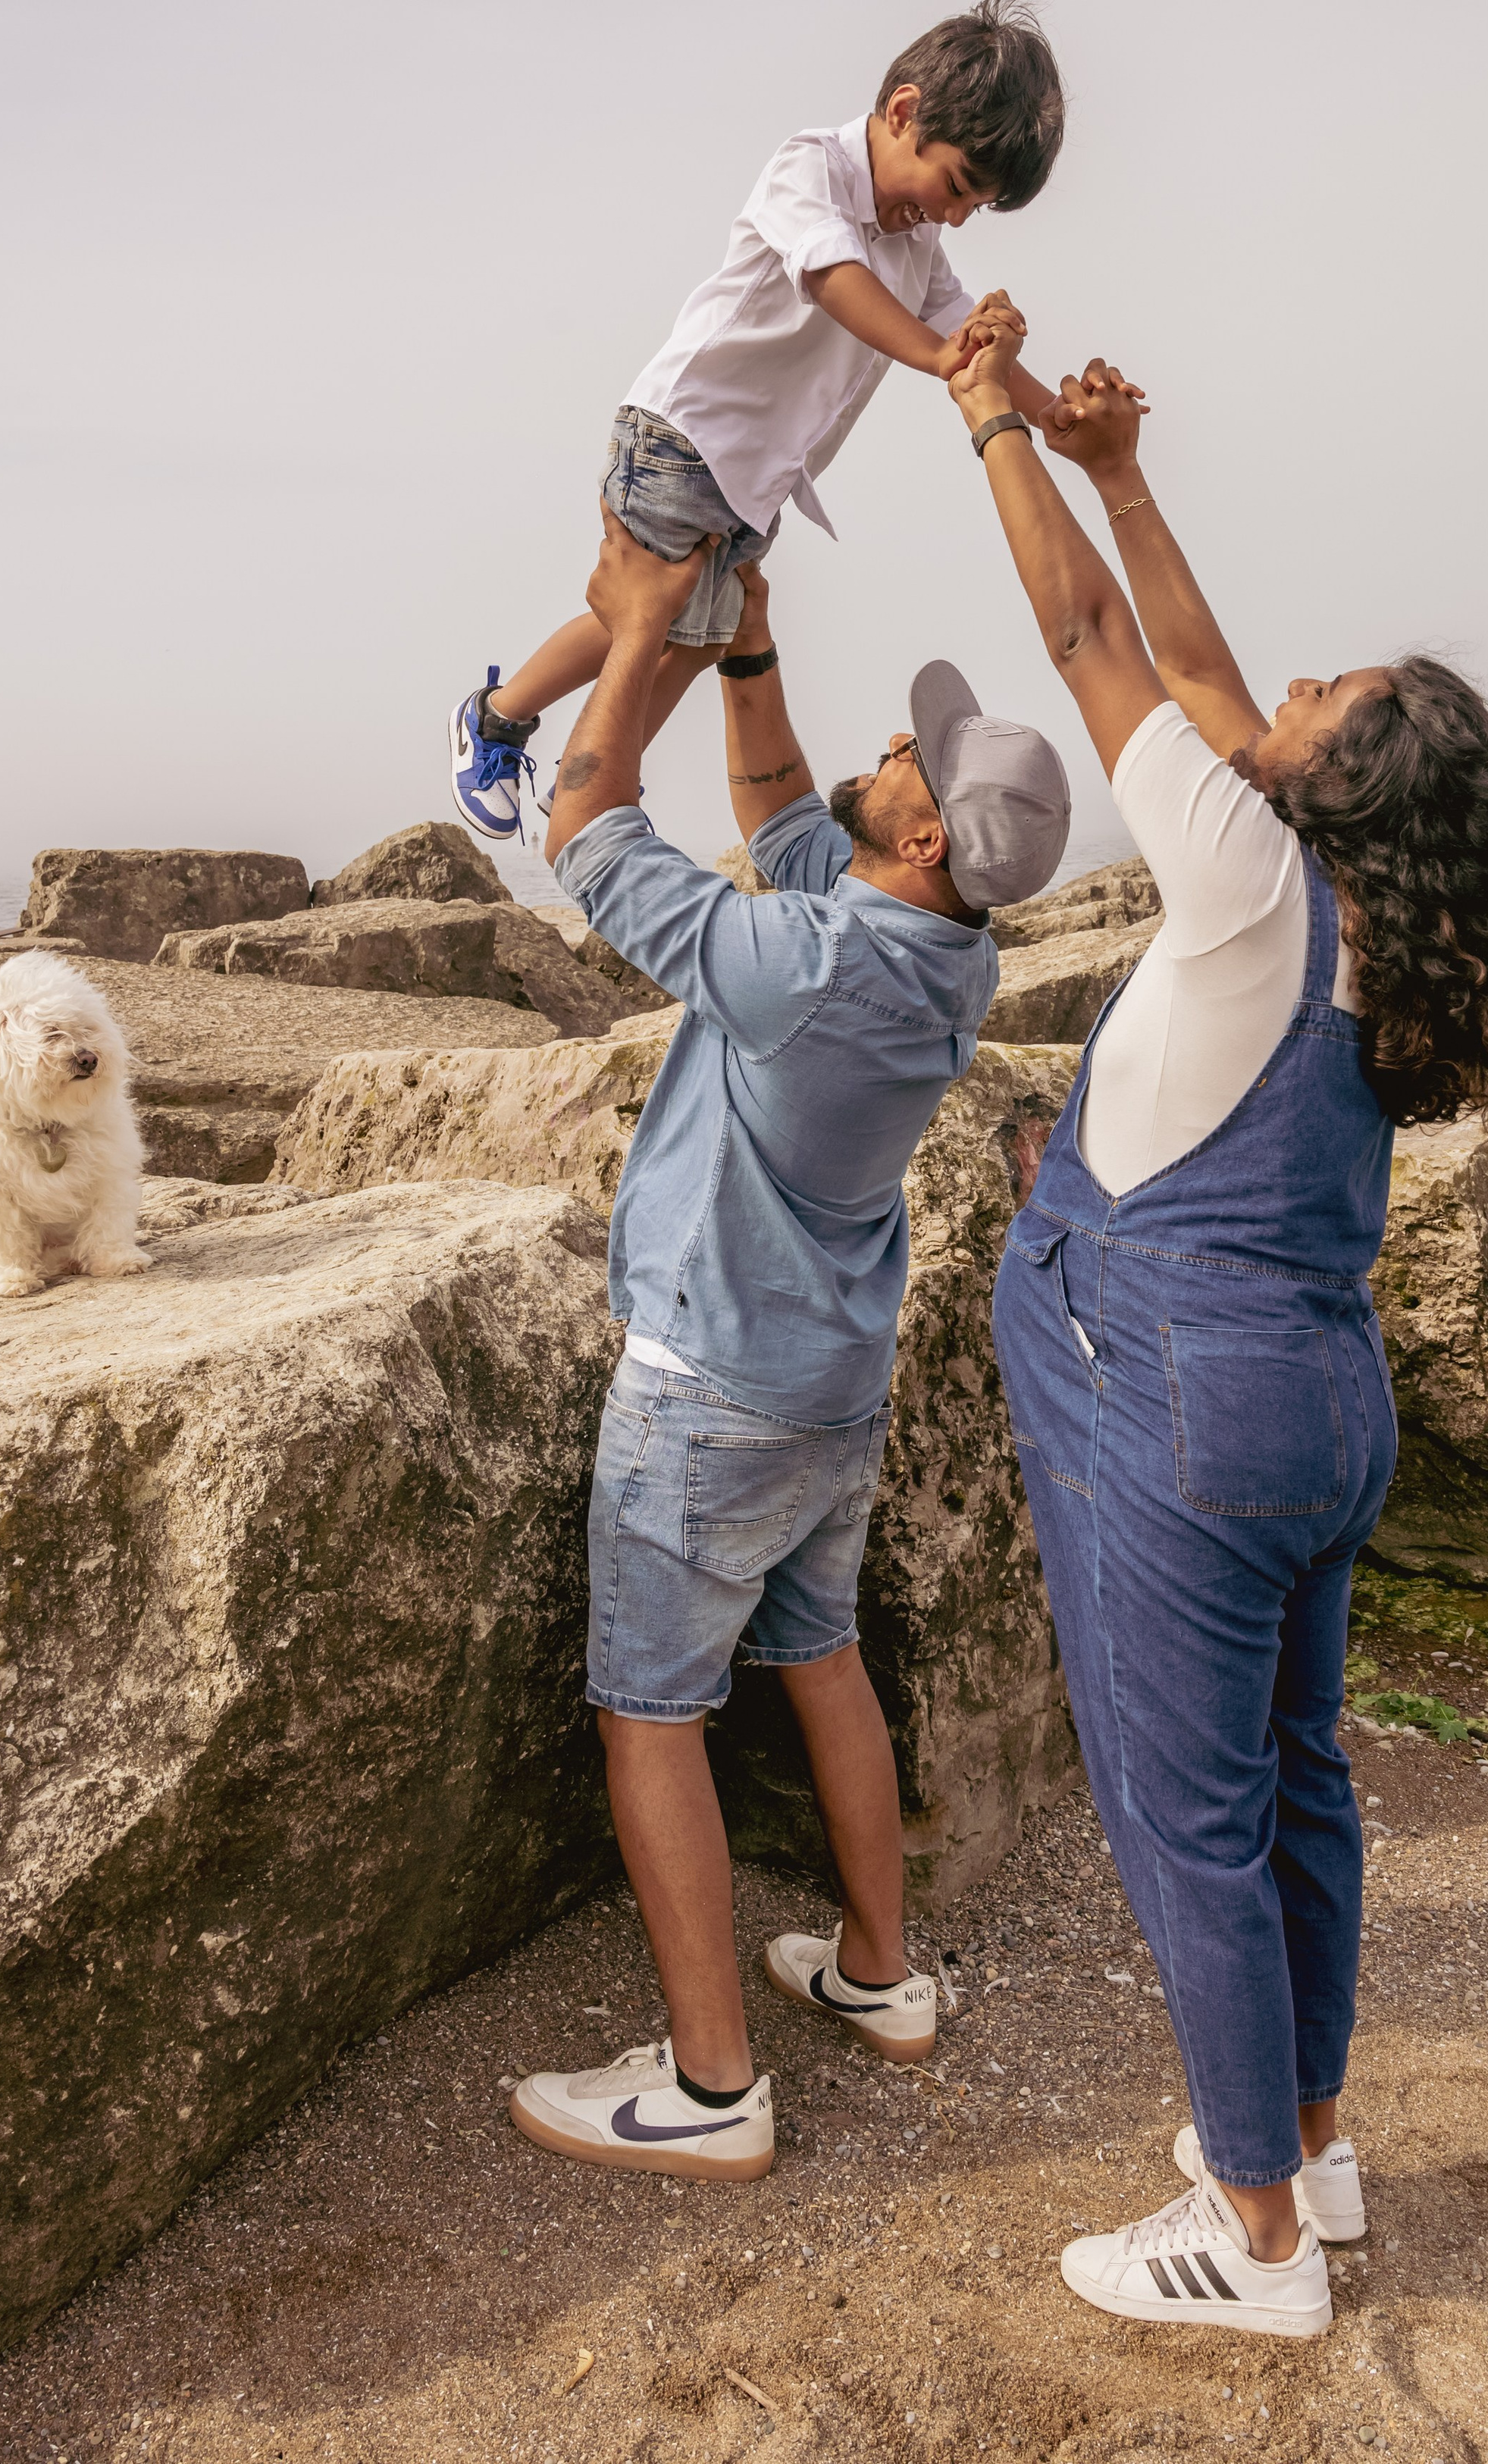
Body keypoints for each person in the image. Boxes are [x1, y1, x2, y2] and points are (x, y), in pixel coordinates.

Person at [948, 323, 1488, 2335]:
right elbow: (1212, 690)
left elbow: (1089, 642)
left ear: (1349, 777)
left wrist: (996, 427)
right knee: (1295, 1777)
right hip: (1321, 1397)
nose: (1288, 687)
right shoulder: (1371, 923)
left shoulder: (1243, 876)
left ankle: (1258, 2241)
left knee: (1187, 1820)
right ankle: (1306, 2140)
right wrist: (1126, 468)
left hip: (1183, 1394)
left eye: (1335, 695)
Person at [506, 511, 1071, 2183]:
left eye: (916, 754)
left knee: (649, 1710)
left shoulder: (800, 965)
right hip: (831, 1382)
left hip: (710, 1391)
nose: (896, 741)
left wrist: (645, 623)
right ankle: (880, 1975)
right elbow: (775, 811)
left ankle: (707, 2087)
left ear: (917, 832)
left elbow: (589, 814)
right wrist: (748, 648)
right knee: (817, 1652)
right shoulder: (944, 954)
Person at [446, 0, 1067, 842]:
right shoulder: (808, 169)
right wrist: (933, 355)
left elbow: (965, 335)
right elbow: (830, 278)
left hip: (755, 480)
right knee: (646, 618)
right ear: (902, 113)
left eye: (974, 208)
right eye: (956, 185)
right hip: (684, 437)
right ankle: (503, 723)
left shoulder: (918, 245)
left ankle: (580, 770)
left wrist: (1059, 414)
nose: (955, 215)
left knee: (700, 636)